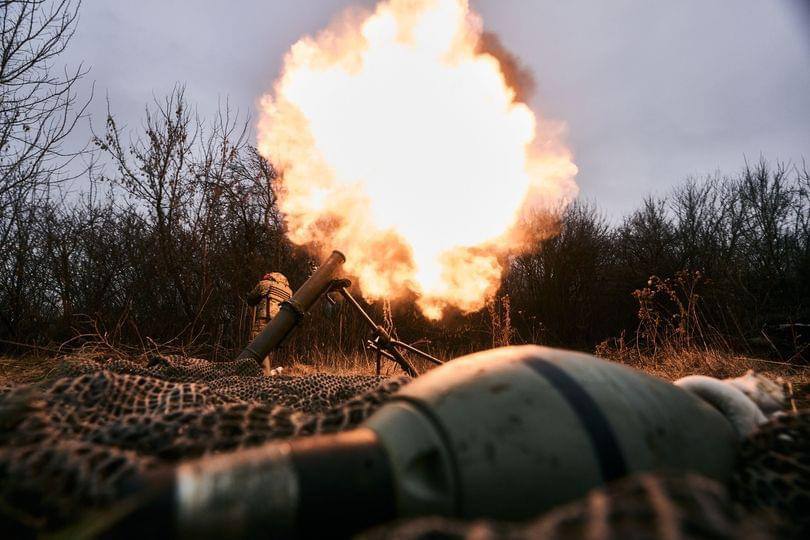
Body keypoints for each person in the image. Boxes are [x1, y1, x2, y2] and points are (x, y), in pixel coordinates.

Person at [246, 272, 292, 375]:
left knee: (256, 345)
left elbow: (251, 299)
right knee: (269, 348)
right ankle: (267, 372)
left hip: (264, 320)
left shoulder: (265, 283)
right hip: (279, 324)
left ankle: (260, 374)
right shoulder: (289, 291)